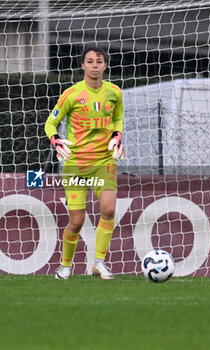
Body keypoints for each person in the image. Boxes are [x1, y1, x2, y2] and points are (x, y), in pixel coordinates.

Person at [44, 46, 124, 280]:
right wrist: (56, 140)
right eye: (90, 61)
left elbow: (118, 117)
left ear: (105, 65)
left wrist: (117, 135)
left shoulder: (115, 92)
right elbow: (50, 123)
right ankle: (65, 266)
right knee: (76, 221)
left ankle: (99, 263)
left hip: (104, 161)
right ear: (83, 66)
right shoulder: (71, 94)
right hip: (76, 164)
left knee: (108, 210)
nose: (95, 65)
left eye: (99, 61)